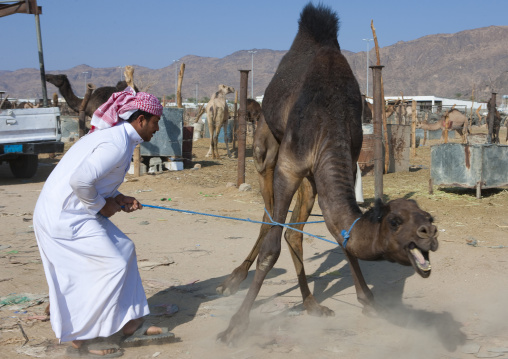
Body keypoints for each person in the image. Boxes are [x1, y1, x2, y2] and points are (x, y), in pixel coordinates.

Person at [33, 87, 173, 357]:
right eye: (156, 121)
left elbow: (95, 181)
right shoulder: (115, 143)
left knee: (125, 249)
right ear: (141, 120)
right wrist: (103, 205)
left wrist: (118, 198)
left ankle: (131, 321)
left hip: (78, 212)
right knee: (111, 264)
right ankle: (86, 336)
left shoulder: (120, 139)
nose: (157, 128)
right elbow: (80, 181)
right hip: (64, 217)